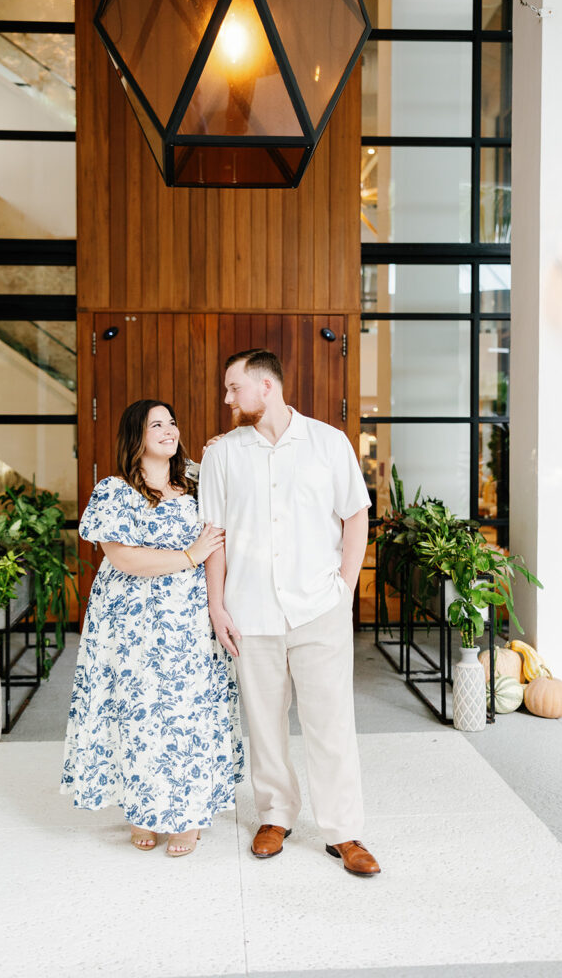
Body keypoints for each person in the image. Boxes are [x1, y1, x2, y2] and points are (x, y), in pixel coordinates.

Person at [199, 349, 380, 877]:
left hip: (319, 608)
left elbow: (355, 518)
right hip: (250, 611)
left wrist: (344, 589)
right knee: (265, 722)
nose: (227, 398)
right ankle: (275, 815)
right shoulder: (222, 455)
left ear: (266, 387)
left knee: (331, 723)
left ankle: (343, 831)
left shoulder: (328, 443)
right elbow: (215, 538)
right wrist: (217, 604)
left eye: (234, 388)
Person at [61, 399, 243, 856]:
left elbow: (243, 482)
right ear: (136, 436)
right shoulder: (114, 490)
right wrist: (188, 556)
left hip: (186, 623)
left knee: (185, 714)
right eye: (155, 424)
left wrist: (228, 448)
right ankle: (142, 811)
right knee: (137, 714)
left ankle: (187, 816)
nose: (168, 430)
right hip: (128, 624)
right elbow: (121, 556)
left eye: (172, 422)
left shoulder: (197, 482)